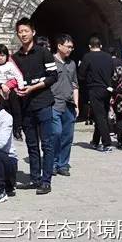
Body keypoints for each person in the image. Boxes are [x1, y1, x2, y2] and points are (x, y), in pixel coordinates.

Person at [11, 18, 58, 195]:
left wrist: (33, 88)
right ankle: (34, 178)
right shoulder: (15, 58)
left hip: (43, 102)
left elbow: (53, 76)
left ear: (33, 32)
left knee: (47, 143)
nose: (23, 34)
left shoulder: (43, 52)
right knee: (31, 144)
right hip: (26, 106)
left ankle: (46, 181)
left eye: (26, 31)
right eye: (20, 32)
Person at [78, 36, 116, 152]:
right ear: (101, 46)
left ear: (90, 46)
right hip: (107, 89)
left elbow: (81, 75)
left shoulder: (87, 57)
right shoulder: (108, 57)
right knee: (101, 115)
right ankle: (95, 141)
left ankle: (107, 143)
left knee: (100, 117)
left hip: (95, 89)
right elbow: (112, 72)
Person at [50, 34, 78, 176]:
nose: (70, 49)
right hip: (54, 103)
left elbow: (75, 85)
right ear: (59, 46)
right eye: (68, 46)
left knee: (68, 136)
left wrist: (77, 104)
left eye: (72, 47)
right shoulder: (50, 62)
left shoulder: (72, 64)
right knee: (56, 133)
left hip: (69, 104)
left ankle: (63, 164)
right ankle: (53, 162)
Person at [0, 44, 25, 139]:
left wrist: (21, 88)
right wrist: (1, 85)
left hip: (12, 91)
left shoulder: (10, 65)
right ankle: (4, 129)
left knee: (16, 109)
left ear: (7, 56)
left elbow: (18, 76)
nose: (0, 58)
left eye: (3, 55)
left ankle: (17, 128)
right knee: (3, 110)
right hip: (0, 92)